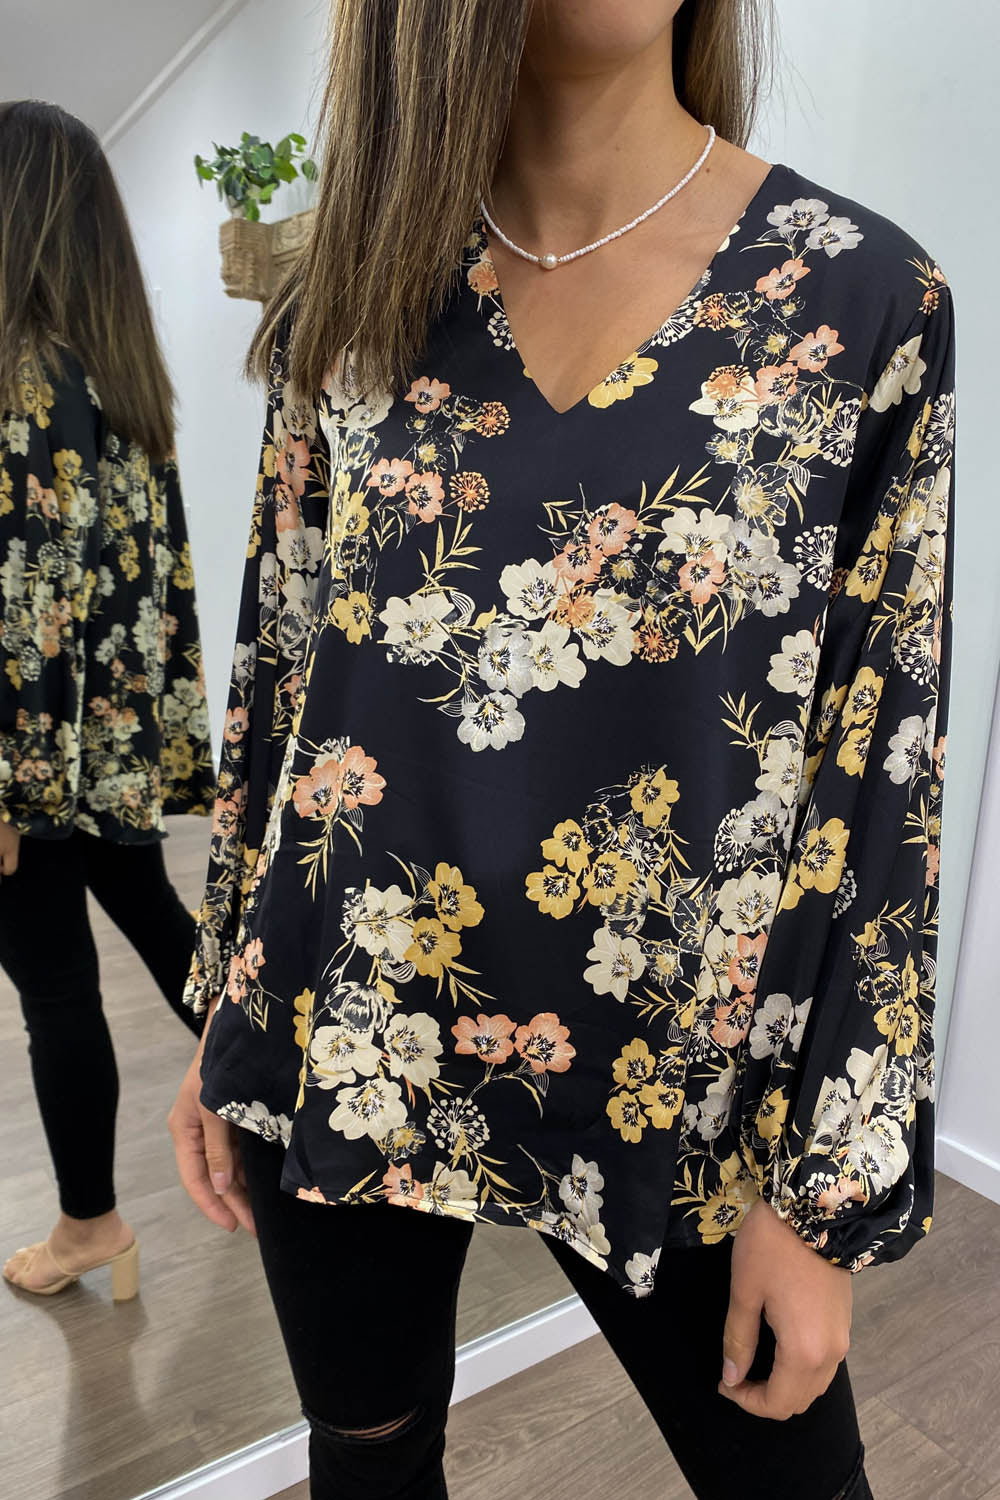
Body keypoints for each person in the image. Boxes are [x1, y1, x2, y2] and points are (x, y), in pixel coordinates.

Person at [169, 2, 956, 1496]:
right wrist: (225, 1013)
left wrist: (823, 1195)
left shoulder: (860, 299)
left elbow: (880, 766)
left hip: (690, 1081)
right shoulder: (352, 295)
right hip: (350, 1029)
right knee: (371, 1463)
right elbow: (281, 680)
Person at [0, 101, 215, 1300]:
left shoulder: (14, 382)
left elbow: (15, 597)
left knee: (58, 988)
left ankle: (91, 1225)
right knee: (161, 929)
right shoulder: (124, 387)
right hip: (110, 746)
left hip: (30, 759)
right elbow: (152, 595)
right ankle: (303, 1117)